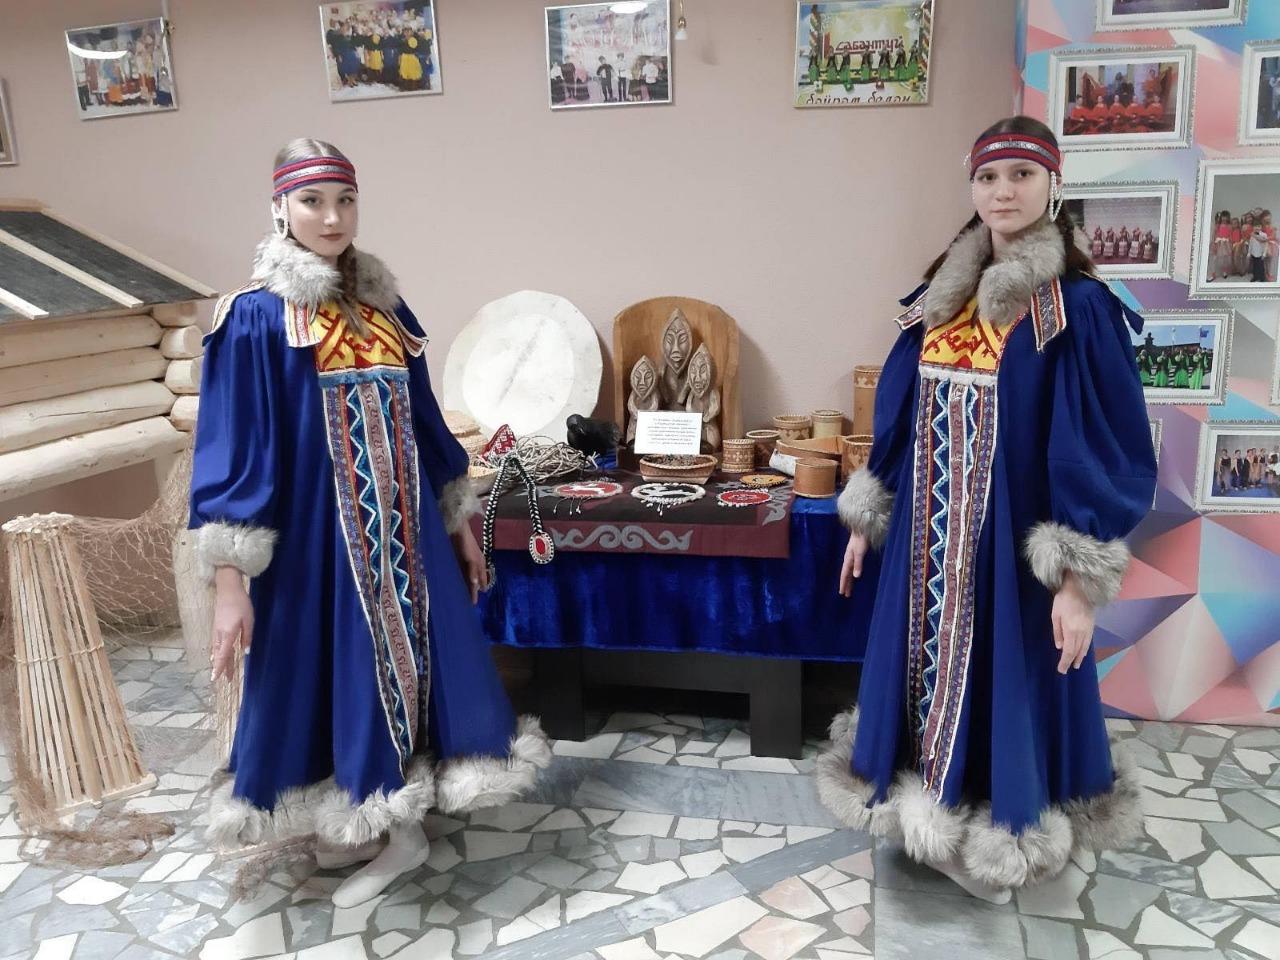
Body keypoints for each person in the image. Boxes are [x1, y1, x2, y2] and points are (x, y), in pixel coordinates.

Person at [191, 139, 550, 908]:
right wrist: (229, 583)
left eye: (345, 200)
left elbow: (426, 427)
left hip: (407, 540)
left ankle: (400, 828)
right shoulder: (254, 319)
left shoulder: (386, 310)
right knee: (321, 670)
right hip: (315, 547)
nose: (331, 217)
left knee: (407, 663)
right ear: (280, 207)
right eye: (312, 201)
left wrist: (460, 521)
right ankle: (357, 810)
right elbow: (234, 451)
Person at [818, 116, 1155, 904]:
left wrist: (1077, 578)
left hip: (1011, 554)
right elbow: (899, 419)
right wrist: (868, 515)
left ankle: (1009, 827)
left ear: (1053, 185)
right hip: (926, 551)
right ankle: (932, 814)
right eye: (988, 177)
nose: (1003, 191)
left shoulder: (1076, 309)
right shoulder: (942, 299)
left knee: (1012, 682)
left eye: (1021, 175)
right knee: (923, 681)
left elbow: (1098, 447)